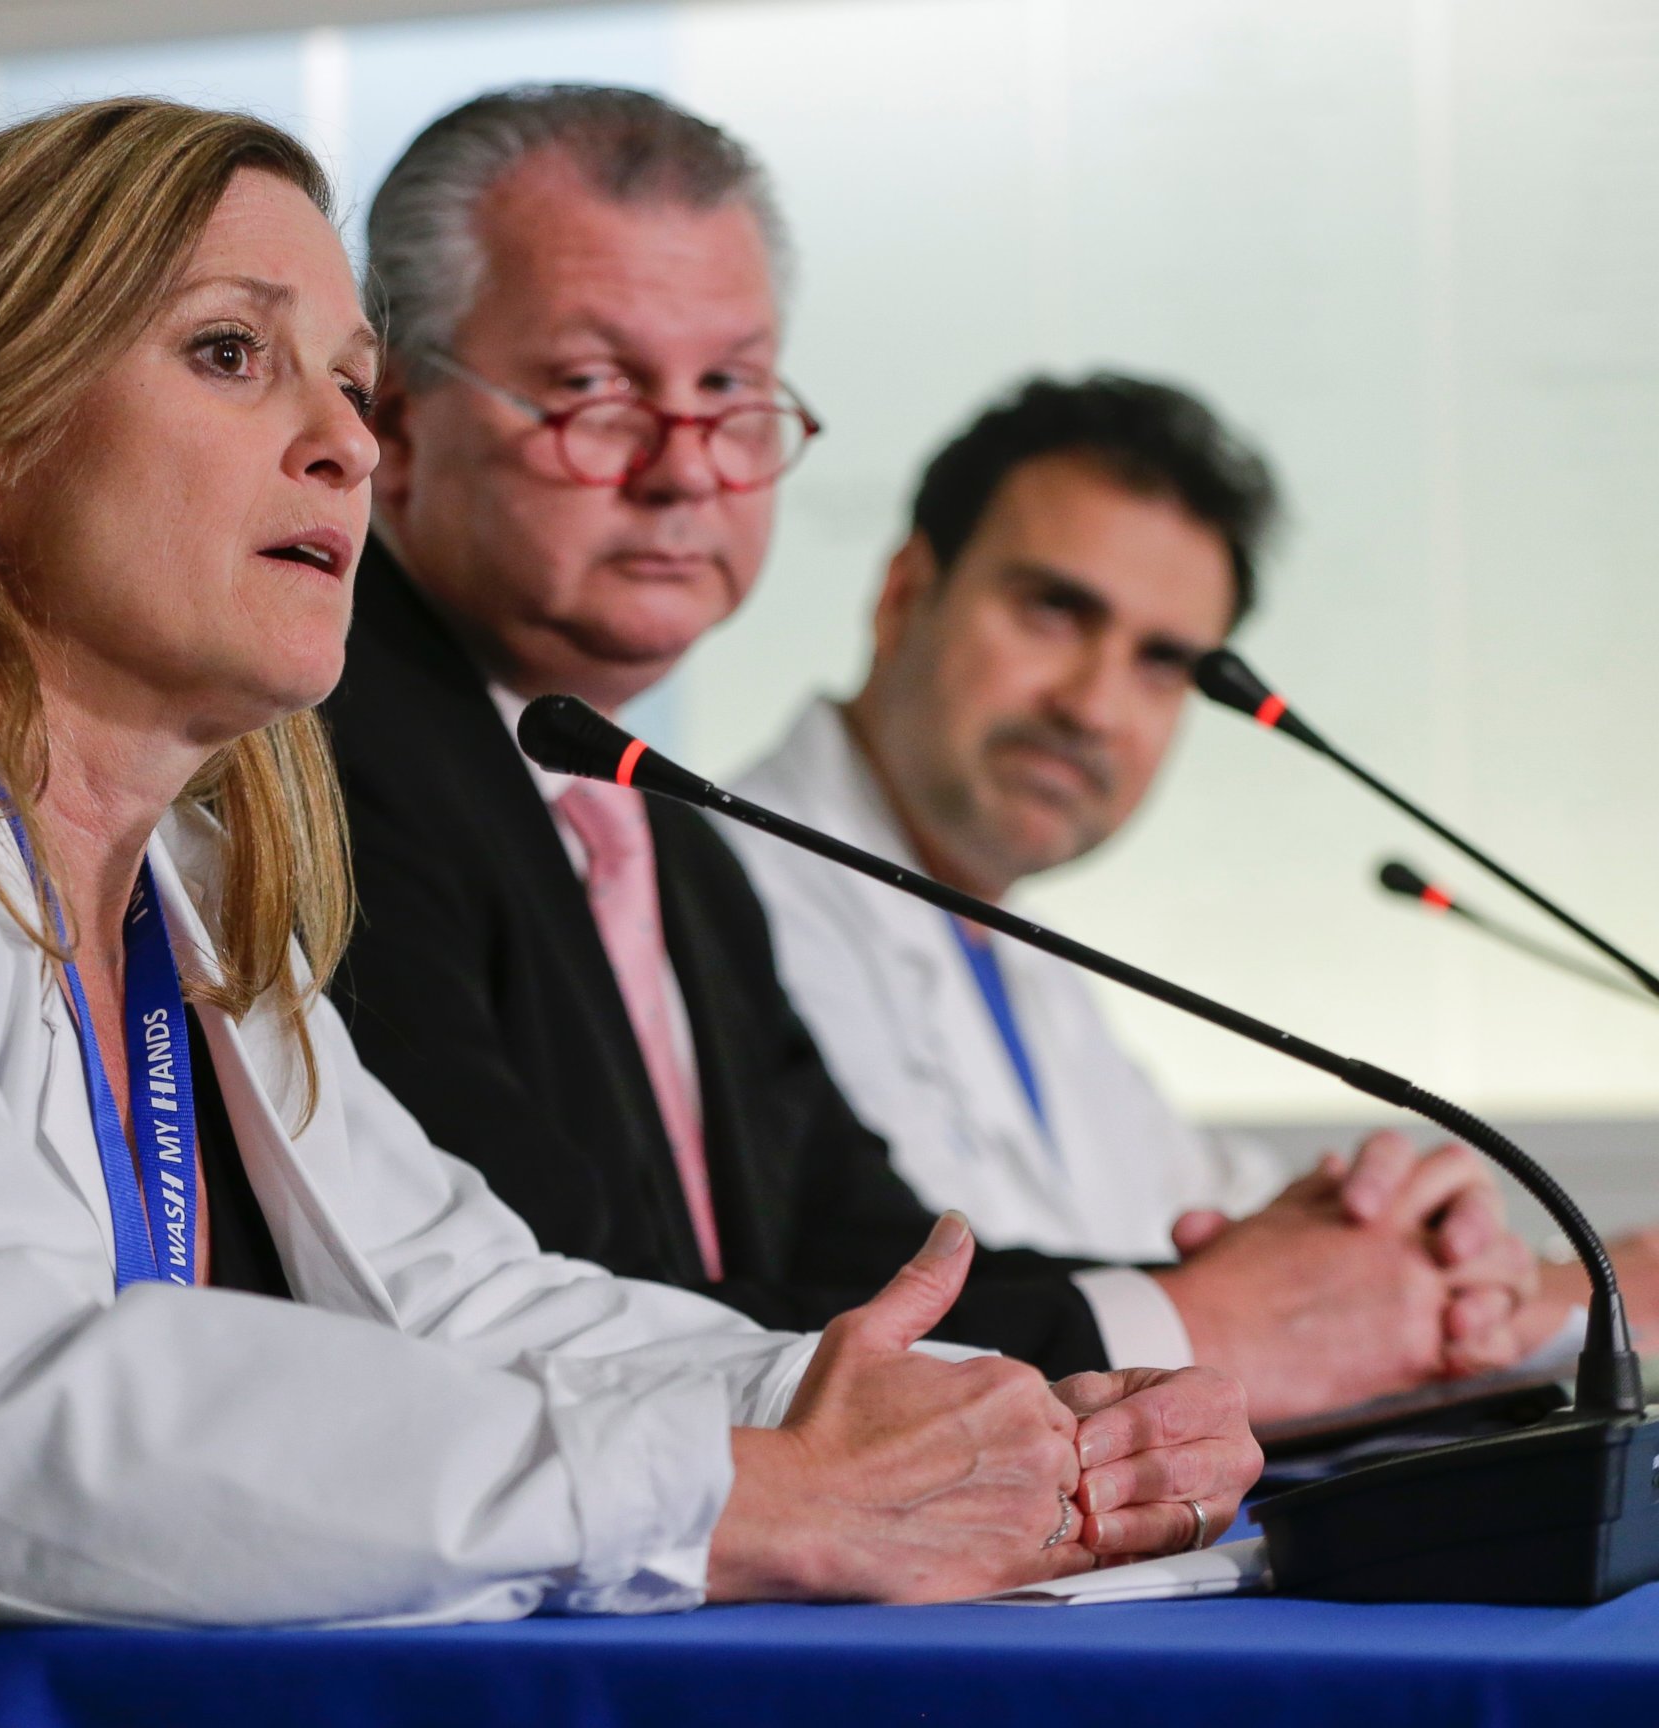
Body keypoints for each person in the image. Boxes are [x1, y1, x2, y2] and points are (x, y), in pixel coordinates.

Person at [0, 103, 1254, 1728]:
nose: (344, 441)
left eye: (355, 383)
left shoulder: (196, 920)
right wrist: (750, 1497)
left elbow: (483, 1313)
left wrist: (925, 1425)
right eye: (231, 355)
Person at [326, 83, 1533, 1427]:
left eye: (728, 388)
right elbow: (565, 1309)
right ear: (395, 425)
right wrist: (1207, 1322)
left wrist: (1315, 1275)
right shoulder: (323, 764)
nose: (685, 470)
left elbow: (864, 1271)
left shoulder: (660, 838)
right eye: (593, 387)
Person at [727, 371, 1659, 1333]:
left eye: (1162, 662)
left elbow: (1220, 1221)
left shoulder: (1021, 958)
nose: (1092, 706)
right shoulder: (720, 893)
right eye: (1054, 611)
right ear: (905, 593)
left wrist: (1433, 1241)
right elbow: (941, 1310)